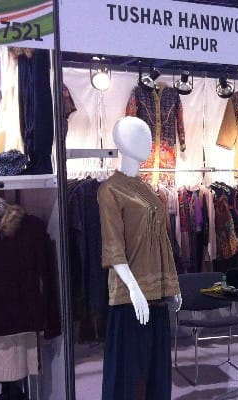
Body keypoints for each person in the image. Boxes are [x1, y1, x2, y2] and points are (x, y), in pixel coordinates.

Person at [97, 116, 182, 400]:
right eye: (140, 136)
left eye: (148, 135)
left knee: (156, 373)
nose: (149, 141)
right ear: (122, 143)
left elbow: (163, 240)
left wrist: (172, 285)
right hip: (130, 298)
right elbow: (113, 245)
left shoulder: (145, 188)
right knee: (129, 374)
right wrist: (133, 289)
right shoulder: (109, 190)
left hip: (156, 295)